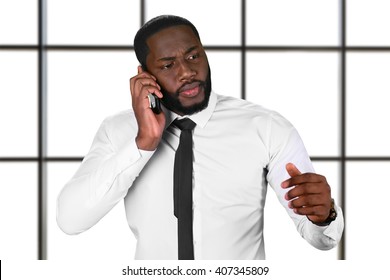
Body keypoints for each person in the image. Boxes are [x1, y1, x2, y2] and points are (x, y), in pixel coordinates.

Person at [57, 15, 344, 260]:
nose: (187, 72)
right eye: (168, 65)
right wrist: (142, 144)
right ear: (145, 75)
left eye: (193, 56)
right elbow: (70, 221)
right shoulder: (117, 131)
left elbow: (322, 239)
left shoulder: (266, 127)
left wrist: (325, 215)